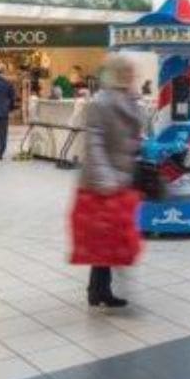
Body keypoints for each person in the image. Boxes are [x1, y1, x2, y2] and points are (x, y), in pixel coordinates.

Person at [70, 54, 142, 309]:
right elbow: (94, 144)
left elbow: (134, 137)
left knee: (107, 236)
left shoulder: (130, 99)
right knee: (105, 235)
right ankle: (100, 290)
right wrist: (105, 180)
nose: (130, 75)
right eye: (126, 71)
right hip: (104, 182)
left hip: (120, 178)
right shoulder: (100, 102)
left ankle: (99, 290)